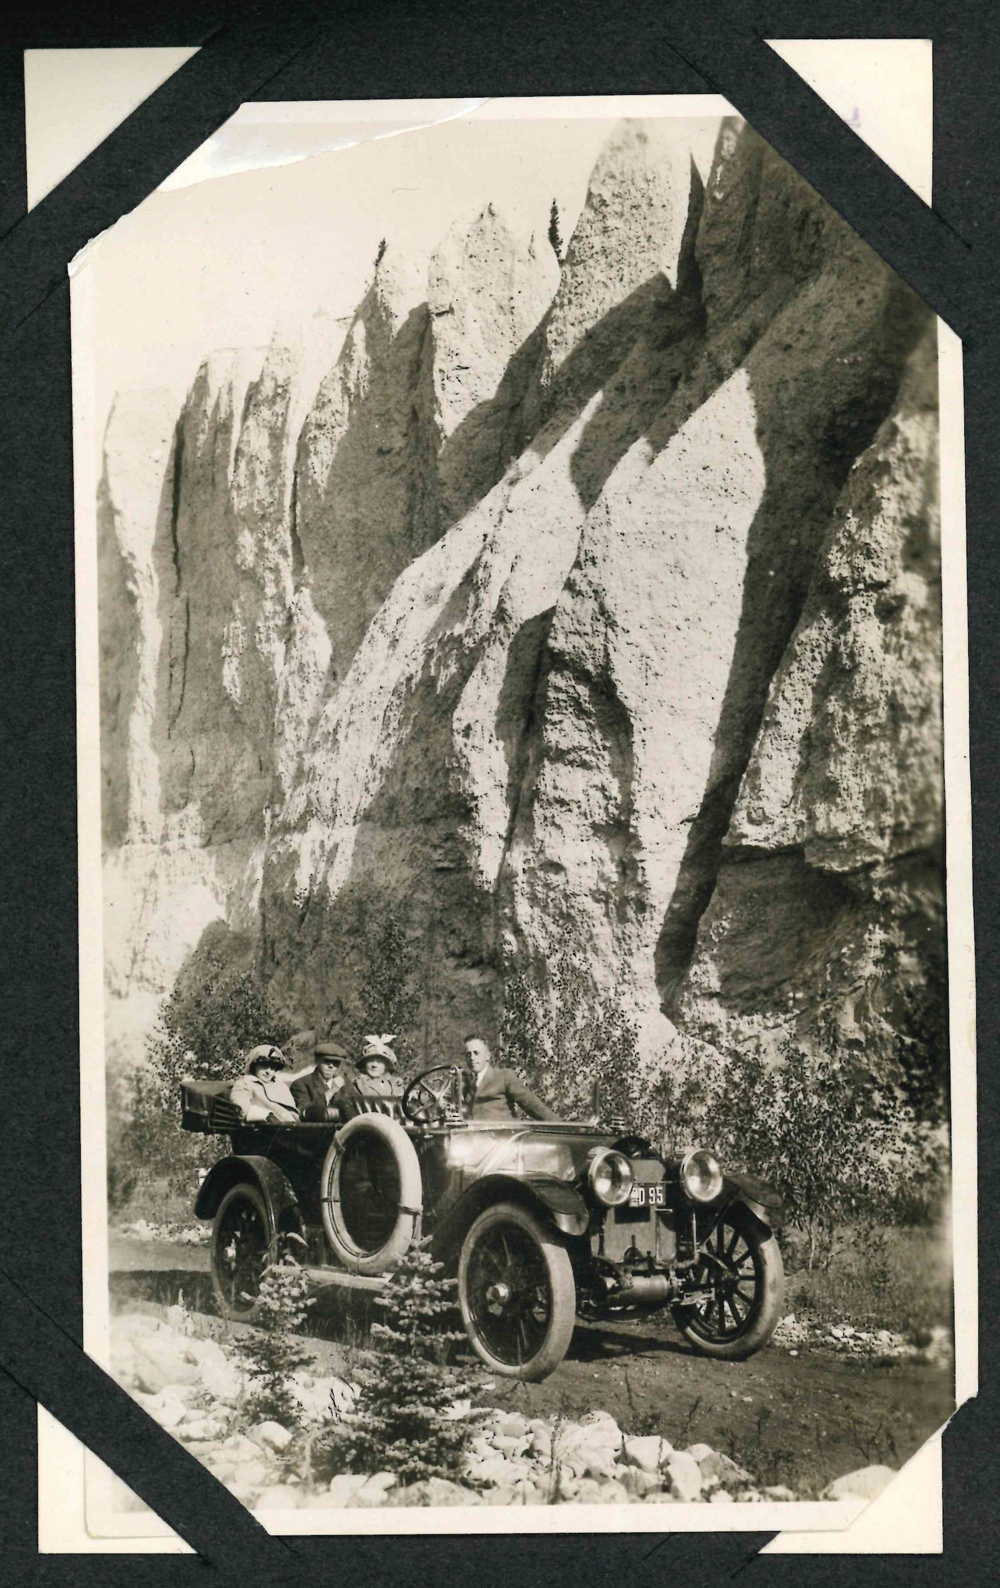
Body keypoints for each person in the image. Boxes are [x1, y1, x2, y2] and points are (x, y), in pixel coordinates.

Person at [463, 1035, 559, 1122]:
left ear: (487, 1056)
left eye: (476, 1053)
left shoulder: (503, 1076)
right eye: (468, 1054)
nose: (472, 1058)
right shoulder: (466, 1083)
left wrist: (562, 1127)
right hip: (475, 1137)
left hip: (503, 1136)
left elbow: (531, 1103)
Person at [229, 1046, 301, 1124]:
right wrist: (266, 1116)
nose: (268, 1071)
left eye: (273, 1067)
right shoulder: (245, 1083)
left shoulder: (280, 1085)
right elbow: (241, 1109)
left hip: (294, 1127)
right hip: (268, 1130)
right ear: (254, 1066)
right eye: (264, 1065)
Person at [291, 1040, 353, 1121]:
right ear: (317, 1061)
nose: (331, 1066)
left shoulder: (345, 1085)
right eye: (326, 1061)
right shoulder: (301, 1084)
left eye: (335, 1062)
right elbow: (304, 1113)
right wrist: (331, 1092)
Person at [355, 1034, 404, 1100]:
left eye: (379, 1062)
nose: (374, 1065)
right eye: (370, 1061)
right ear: (364, 1064)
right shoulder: (360, 1084)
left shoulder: (393, 1084)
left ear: (386, 1066)